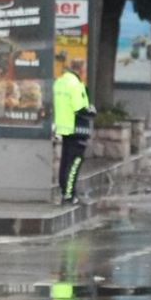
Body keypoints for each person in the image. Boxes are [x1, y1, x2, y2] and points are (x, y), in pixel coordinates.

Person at [53, 58, 93, 205]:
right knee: (75, 162)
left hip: (64, 127)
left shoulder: (59, 82)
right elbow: (80, 108)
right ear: (81, 69)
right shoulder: (76, 85)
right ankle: (69, 195)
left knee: (65, 161)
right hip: (78, 129)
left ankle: (65, 192)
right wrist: (92, 111)